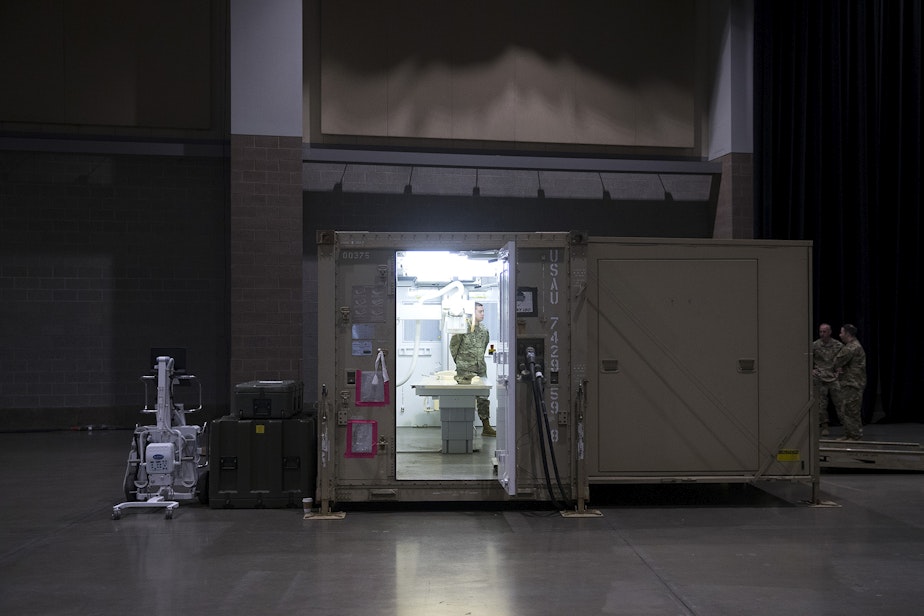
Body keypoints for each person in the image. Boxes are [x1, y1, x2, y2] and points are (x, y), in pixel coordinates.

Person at [449, 302, 495, 437]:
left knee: (483, 397)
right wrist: (460, 362)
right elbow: (454, 346)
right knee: (464, 398)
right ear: (473, 312)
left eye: (483, 311)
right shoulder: (463, 328)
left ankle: (486, 427)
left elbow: (485, 345)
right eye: (480, 311)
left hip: (480, 367)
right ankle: (463, 428)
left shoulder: (484, 330)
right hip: (464, 368)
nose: (483, 314)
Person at [831, 323, 866, 441]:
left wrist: (839, 366)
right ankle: (849, 434)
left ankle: (855, 436)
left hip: (853, 384)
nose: (840, 335)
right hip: (849, 383)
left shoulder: (852, 347)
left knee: (852, 411)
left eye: (841, 332)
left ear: (847, 334)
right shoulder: (851, 346)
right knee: (846, 410)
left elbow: (837, 361)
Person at [812, 323, 843, 436]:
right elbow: (806, 359)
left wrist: (839, 370)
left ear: (829, 332)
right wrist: (811, 370)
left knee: (840, 402)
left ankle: (847, 426)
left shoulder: (838, 345)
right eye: (820, 332)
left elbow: (844, 359)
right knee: (821, 404)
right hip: (820, 377)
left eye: (824, 332)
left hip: (834, 378)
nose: (822, 334)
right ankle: (824, 426)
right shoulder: (814, 345)